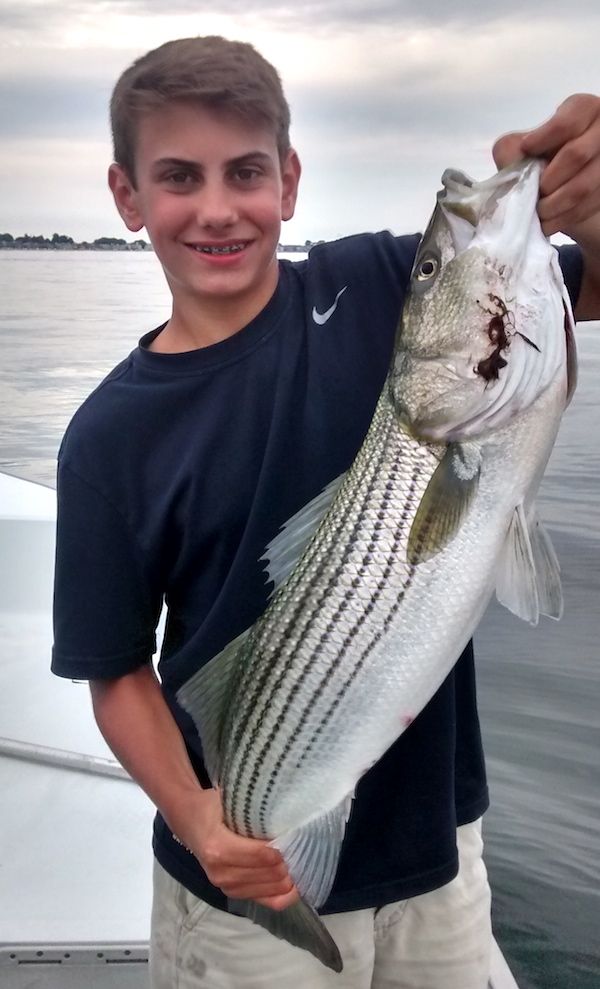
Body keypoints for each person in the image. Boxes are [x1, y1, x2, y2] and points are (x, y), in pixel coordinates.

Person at [51, 35, 600, 989]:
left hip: (440, 855)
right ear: (127, 197)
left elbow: (575, 287)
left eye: (246, 171)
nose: (217, 206)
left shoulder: (378, 289)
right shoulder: (108, 436)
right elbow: (114, 670)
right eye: (179, 176)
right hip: (242, 888)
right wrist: (200, 822)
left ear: (290, 180)